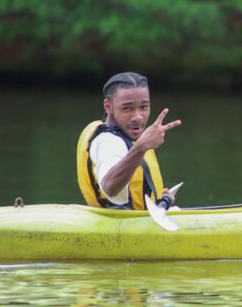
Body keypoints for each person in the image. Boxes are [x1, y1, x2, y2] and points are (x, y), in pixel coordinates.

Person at [76, 72, 182, 210]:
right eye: (127, 108)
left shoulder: (124, 136)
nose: (138, 117)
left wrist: (160, 199)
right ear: (108, 107)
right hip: (118, 221)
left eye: (144, 107)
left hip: (136, 218)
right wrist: (140, 148)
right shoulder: (108, 142)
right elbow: (110, 187)